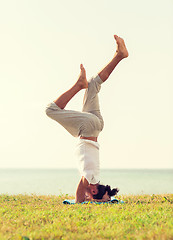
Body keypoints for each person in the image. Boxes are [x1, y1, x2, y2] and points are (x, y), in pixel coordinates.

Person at [46, 35, 129, 203]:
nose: (86, 196)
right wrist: (79, 202)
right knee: (50, 110)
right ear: (92, 190)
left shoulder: (93, 175)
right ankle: (78, 86)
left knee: (93, 84)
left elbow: (87, 188)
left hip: (96, 125)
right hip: (88, 127)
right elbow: (81, 189)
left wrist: (104, 198)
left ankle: (119, 55)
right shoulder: (90, 178)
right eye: (89, 195)